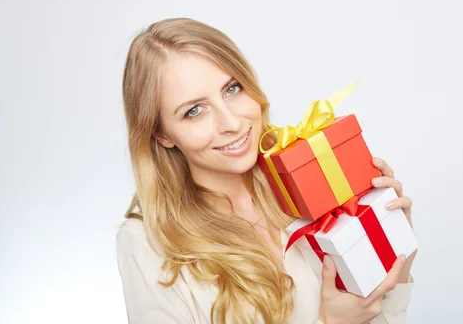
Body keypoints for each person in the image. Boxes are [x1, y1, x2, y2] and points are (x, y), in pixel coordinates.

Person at [115, 18, 417, 324]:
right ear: (161, 134)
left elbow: (377, 313)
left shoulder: (305, 180)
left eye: (232, 89)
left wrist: (393, 253)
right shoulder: (146, 243)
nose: (231, 123)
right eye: (194, 111)